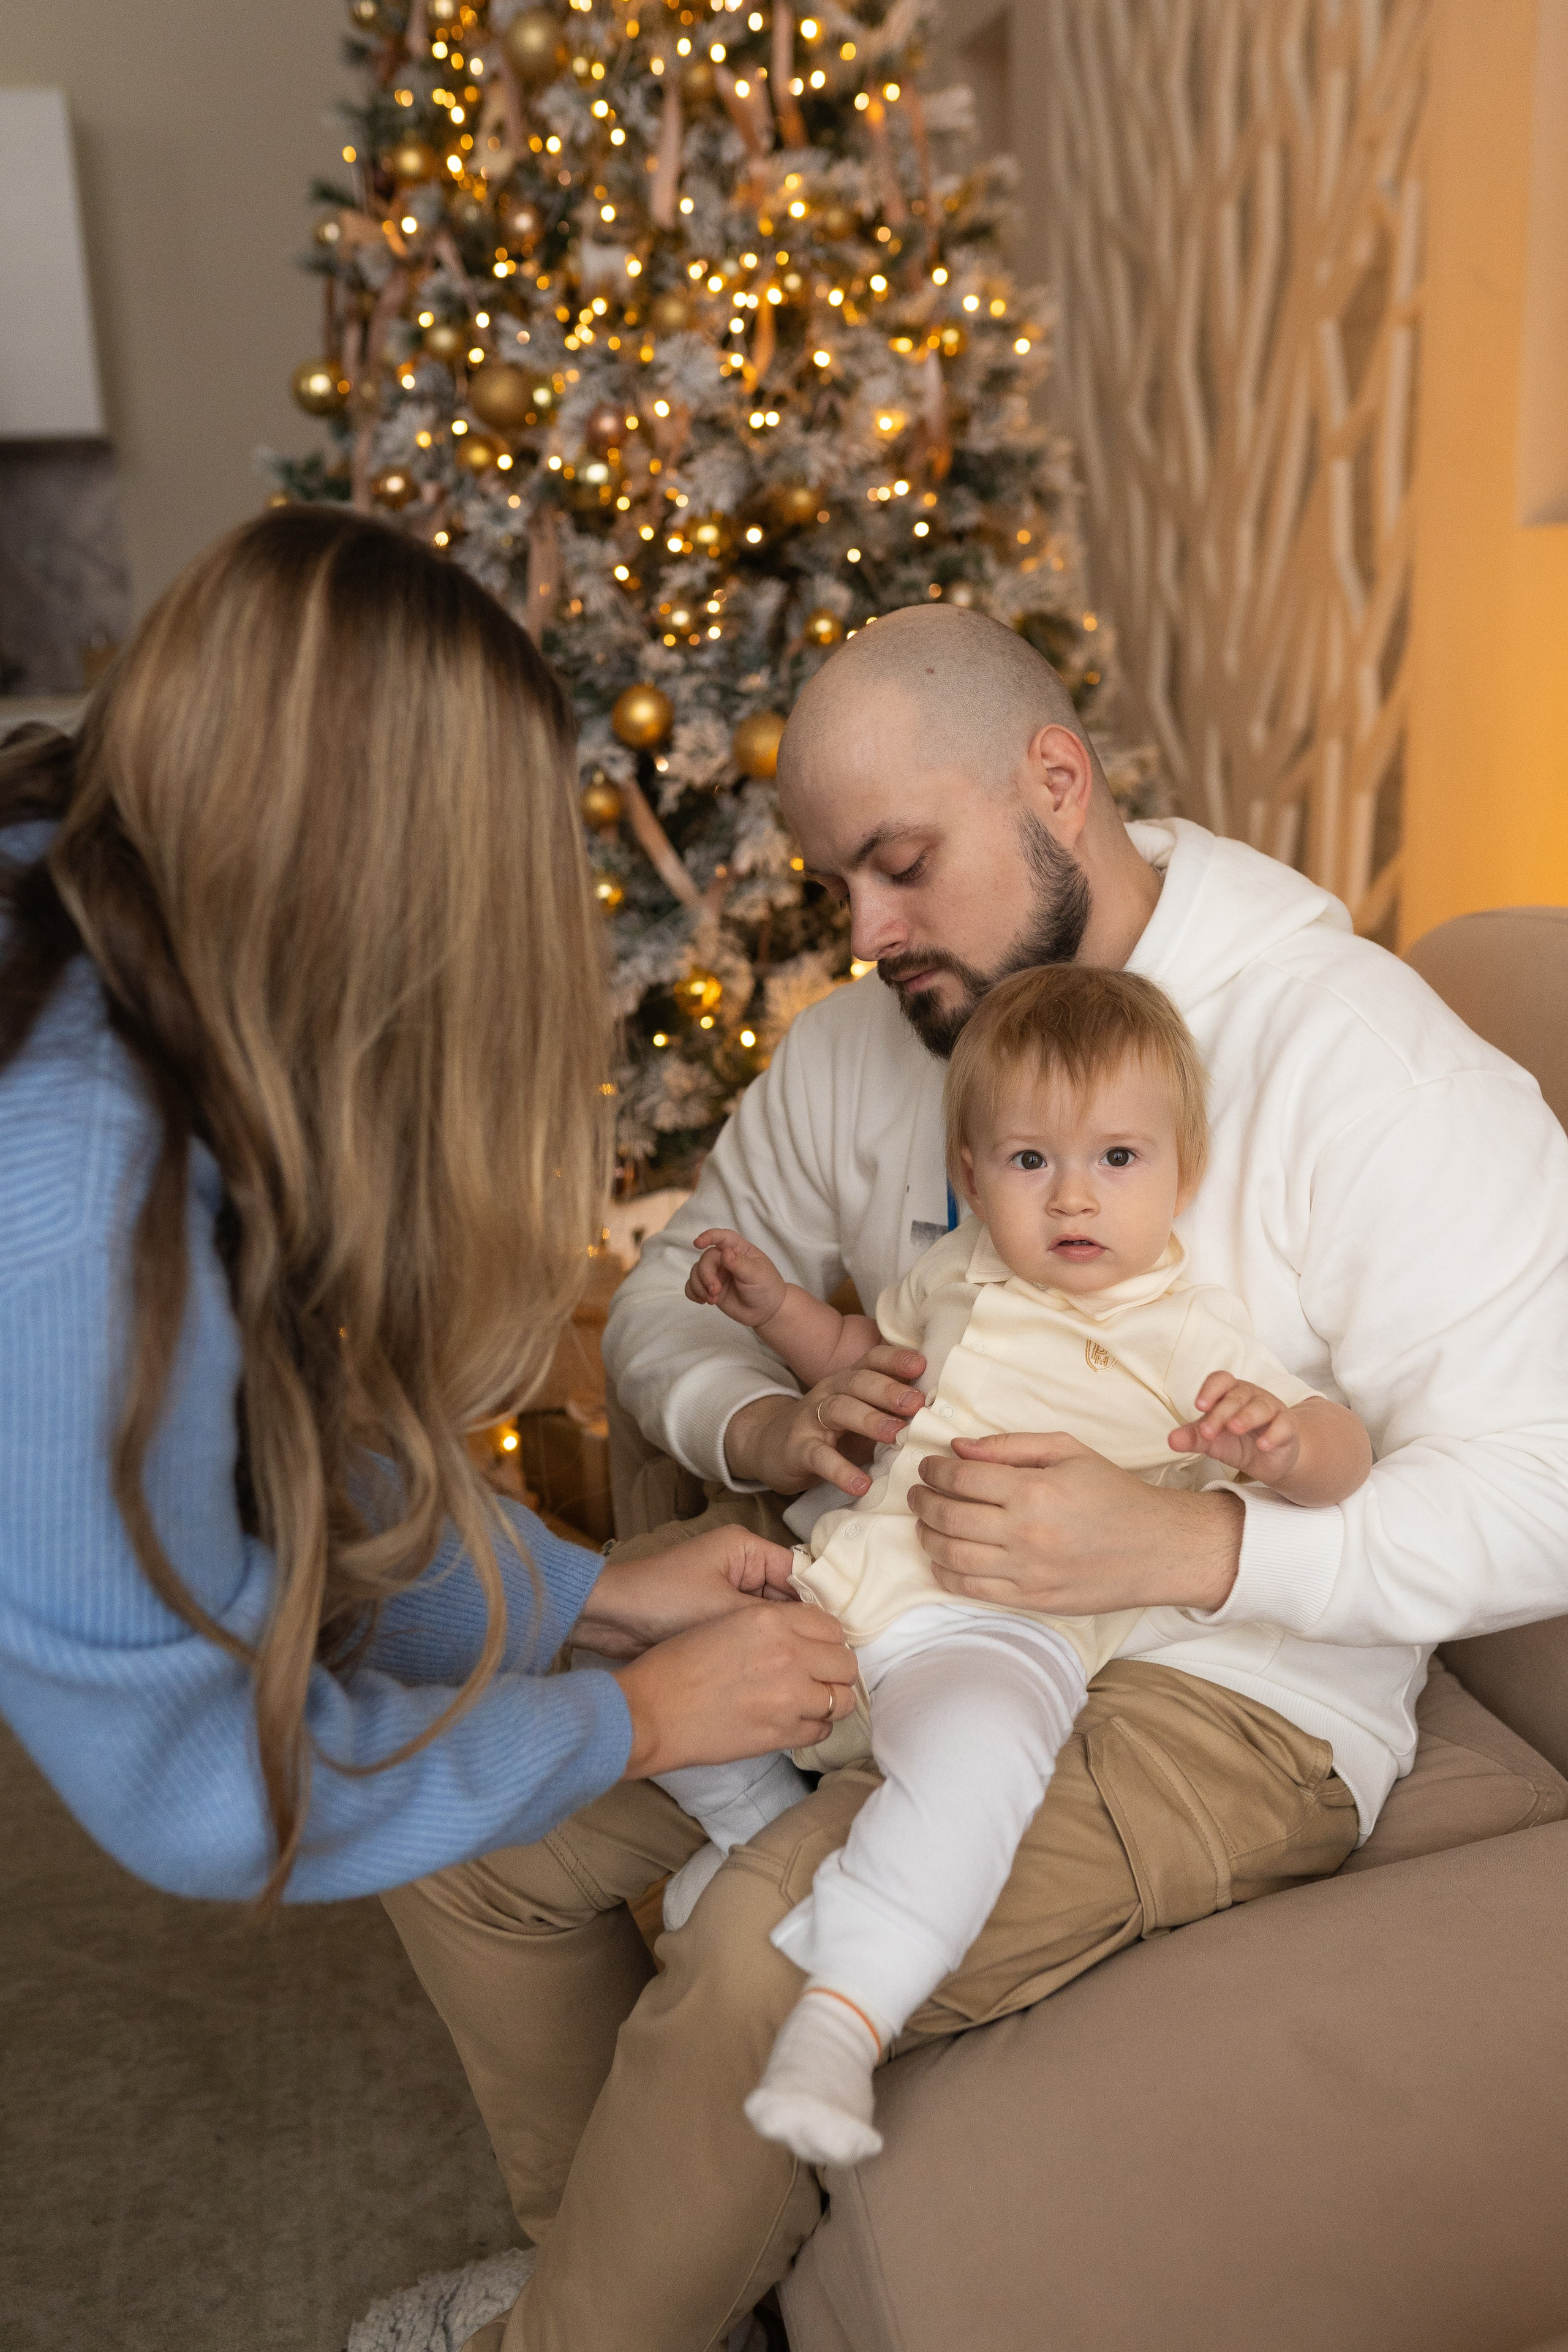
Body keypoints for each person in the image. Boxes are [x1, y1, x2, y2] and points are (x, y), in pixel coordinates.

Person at [386, 604, 1568, 2352]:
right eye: (841, 885)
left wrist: (1191, 1540)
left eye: (902, 866)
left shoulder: (1358, 1060)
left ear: (1057, 783)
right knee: (456, 1809)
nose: (866, 933)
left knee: (763, 1959)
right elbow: (671, 1280)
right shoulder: (872, 1046)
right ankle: (633, 2294)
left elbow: (1549, 1489)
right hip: (894, 1584)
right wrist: (760, 1426)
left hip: (1223, 1692)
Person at [0, 506, 856, 1920]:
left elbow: (263, 1461)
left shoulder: (87, 899)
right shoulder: (86, 1221)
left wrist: (585, 1600)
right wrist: (633, 1720)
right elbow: (221, 1789)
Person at [666, 964, 1371, 2168]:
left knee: (975, 1768)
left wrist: (1285, 1441)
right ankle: (746, 1815)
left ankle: (840, 2018)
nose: (1072, 1197)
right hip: (841, 1582)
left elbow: (1340, 1457)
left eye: (1117, 1159)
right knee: (629, 1633)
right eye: (1029, 1161)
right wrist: (776, 1310)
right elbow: (855, 1355)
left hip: (991, 1629)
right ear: (971, 1176)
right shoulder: (952, 1277)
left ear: (1180, 1177)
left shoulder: (1183, 1327)